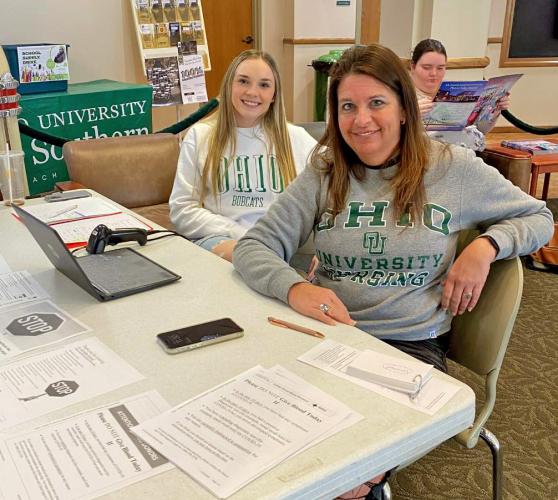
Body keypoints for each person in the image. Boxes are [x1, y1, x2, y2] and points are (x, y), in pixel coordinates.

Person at [232, 44, 553, 499]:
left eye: (376, 103)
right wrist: (293, 290)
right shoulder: (325, 172)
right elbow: (254, 246)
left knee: (342, 474)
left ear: (404, 108)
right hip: (329, 338)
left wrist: (486, 245)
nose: (361, 120)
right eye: (348, 106)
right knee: (266, 440)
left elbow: (541, 218)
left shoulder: (452, 169)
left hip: (409, 346)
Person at [169, 49, 317, 261]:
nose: (252, 92)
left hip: (283, 245)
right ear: (229, 86)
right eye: (243, 81)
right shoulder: (200, 136)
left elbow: (336, 190)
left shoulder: (296, 138)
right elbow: (182, 210)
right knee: (248, 259)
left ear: (274, 95)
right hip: (222, 241)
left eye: (264, 85)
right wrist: (240, 234)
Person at [410, 38, 510, 137]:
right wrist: (410, 115)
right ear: (413, 67)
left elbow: (481, 131)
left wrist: (495, 110)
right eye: (426, 68)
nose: (434, 73)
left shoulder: (452, 92)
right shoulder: (402, 95)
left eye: (440, 68)